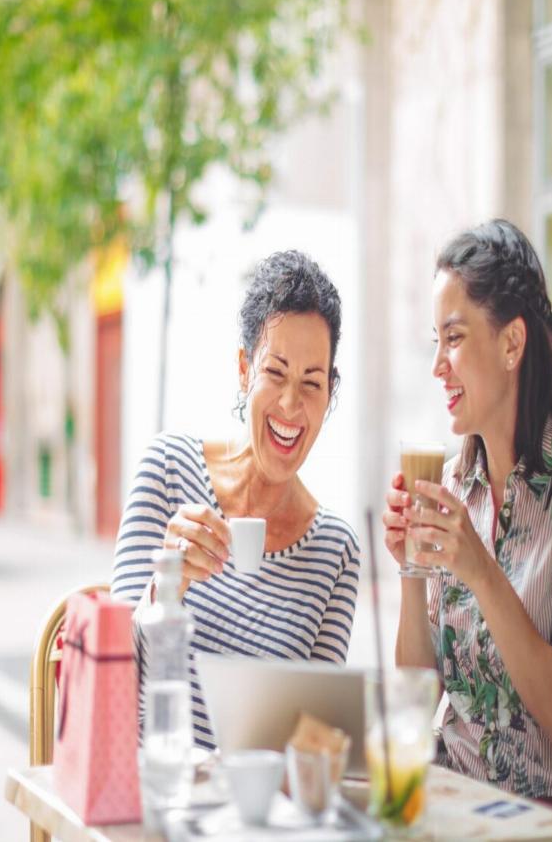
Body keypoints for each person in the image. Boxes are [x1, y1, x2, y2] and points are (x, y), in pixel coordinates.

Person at [382, 219, 552, 807]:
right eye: (435, 341)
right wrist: (411, 571)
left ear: (512, 343)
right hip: (446, 801)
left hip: (543, 819)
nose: (438, 364)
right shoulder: (451, 487)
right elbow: (417, 700)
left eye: (455, 337)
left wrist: (482, 572)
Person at [113, 250, 360, 750]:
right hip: (151, 792)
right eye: (276, 373)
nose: (291, 405)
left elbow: (311, 740)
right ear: (245, 369)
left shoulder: (336, 550)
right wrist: (165, 589)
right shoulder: (168, 467)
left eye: (312, 383)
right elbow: (112, 668)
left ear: (329, 394)